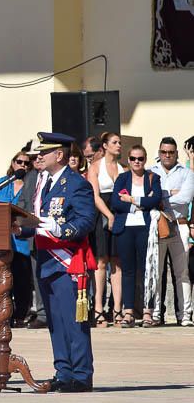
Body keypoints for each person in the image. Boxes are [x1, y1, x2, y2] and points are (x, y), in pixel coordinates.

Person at [15, 132, 96, 393]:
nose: (39, 156)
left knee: (73, 321)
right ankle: (63, 371)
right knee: (56, 322)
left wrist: (61, 229)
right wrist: (20, 229)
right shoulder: (41, 181)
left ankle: (81, 375)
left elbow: (85, 221)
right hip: (45, 259)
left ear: (59, 155)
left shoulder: (76, 183)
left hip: (67, 261)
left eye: (44, 152)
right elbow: (38, 221)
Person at [111, 145, 162, 327]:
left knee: (147, 270)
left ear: (145, 159)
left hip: (145, 228)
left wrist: (132, 200)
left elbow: (155, 199)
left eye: (140, 159)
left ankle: (148, 312)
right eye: (133, 158)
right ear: (129, 159)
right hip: (126, 228)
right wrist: (140, 204)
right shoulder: (122, 178)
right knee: (128, 270)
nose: (136, 162)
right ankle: (129, 312)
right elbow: (115, 202)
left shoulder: (153, 178)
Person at [150, 137, 194, 326]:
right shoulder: (151, 172)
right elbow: (150, 197)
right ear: (159, 153)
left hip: (179, 224)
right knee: (157, 272)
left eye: (171, 152)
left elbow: (186, 197)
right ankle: (156, 314)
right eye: (164, 152)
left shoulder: (187, 173)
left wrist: (162, 196)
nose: (167, 155)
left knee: (182, 273)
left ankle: (185, 315)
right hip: (158, 226)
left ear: (176, 153)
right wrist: (171, 193)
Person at [86, 132, 124, 327]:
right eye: (115, 142)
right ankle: (98, 308)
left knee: (117, 262)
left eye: (119, 143)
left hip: (119, 213)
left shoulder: (122, 168)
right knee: (101, 262)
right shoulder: (95, 167)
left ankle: (117, 308)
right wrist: (109, 215)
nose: (118, 145)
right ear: (105, 146)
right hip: (101, 214)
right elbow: (95, 196)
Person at [0, 151, 33, 326]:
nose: (22, 165)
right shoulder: (2, 183)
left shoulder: (30, 185)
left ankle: (20, 315)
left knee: (22, 280)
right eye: (19, 161)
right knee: (1, 277)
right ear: (13, 162)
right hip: (1, 239)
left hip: (21, 240)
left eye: (26, 163)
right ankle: (2, 312)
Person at [18, 139, 48, 329]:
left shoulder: (53, 177)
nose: (35, 160)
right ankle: (43, 314)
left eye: (39, 156)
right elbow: (22, 202)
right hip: (33, 236)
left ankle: (53, 312)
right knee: (37, 276)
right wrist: (16, 220)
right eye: (32, 158)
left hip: (51, 234)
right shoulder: (30, 177)